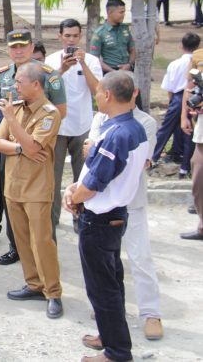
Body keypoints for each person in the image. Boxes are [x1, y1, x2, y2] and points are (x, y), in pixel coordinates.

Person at [63, 71, 150, 362]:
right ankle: (109, 336)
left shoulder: (118, 134)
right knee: (111, 280)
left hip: (100, 219)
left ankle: (116, 352)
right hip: (112, 216)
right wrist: (78, 190)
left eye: (98, 92)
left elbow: (94, 183)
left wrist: (74, 197)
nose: (96, 96)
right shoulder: (134, 128)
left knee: (102, 287)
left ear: (109, 95)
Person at [85, 73, 164, 342]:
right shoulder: (100, 118)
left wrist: (97, 157)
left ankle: (150, 313)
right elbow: (89, 152)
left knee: (140, 258)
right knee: (108, 264)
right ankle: (111, 320)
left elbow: (134, 163)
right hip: (100, 205)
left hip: (130, 201)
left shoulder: (145, 123)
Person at [0, 30, 66, 265]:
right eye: (13, 47)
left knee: (40, 202)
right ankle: (16, 246)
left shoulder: (48, 75)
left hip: (38, 148)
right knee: (11, 197)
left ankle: (46, 252)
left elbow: (60, 111)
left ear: (31, 48)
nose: (18, 51)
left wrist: (31, 139)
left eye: (23, 46)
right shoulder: (1, 75)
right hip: (7, 145)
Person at [0, 63, 64, 319]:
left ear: (36, 84)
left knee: (42, 242)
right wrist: (20, 147)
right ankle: (34, 284)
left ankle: (53, 292)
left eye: (19, 82)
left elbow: (35, 146)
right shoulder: (18, 108)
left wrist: (13, 124)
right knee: (21, 240)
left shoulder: (49, 113)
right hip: (14, 186)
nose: (15, 87)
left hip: (37, 189)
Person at [45, 19, 102, 236]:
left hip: (83, 126)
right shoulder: (50, 60)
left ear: (80, 37)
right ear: (59, 36)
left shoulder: (92, 60)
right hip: (58, 127)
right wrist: (62, 68)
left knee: (83, 176)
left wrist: (83, 64)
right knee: (53, 175)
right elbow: (45, 89)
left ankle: (80, 216)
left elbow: (98, 90)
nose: (71, 40)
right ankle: (52, 218)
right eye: (67, 35)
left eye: (75, 36)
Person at [152, 33, 199, 178]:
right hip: (193, 99)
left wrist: (171, 102)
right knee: (188, 132)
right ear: (198, 47)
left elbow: (170, 87)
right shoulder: (197, 63)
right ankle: (185, 165)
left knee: (166, 129)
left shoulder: (175, 64)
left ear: (181, 46)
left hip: (177, 98)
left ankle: (153, 157)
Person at [180, 45, 203, 240]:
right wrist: (184, 116)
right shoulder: (197, 55)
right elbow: (188, 89)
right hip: (201, 127)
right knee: (198, 177)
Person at [89, 0, 136, 74]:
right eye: (121, 12)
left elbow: (133, 50)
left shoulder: (125, 28)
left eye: (124, 12)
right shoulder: (99, 33)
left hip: (128, 70)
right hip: (109, 73)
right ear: (110, 13)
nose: (124, 15)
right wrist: (114, 72)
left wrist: (129, 64)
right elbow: (95, 59)